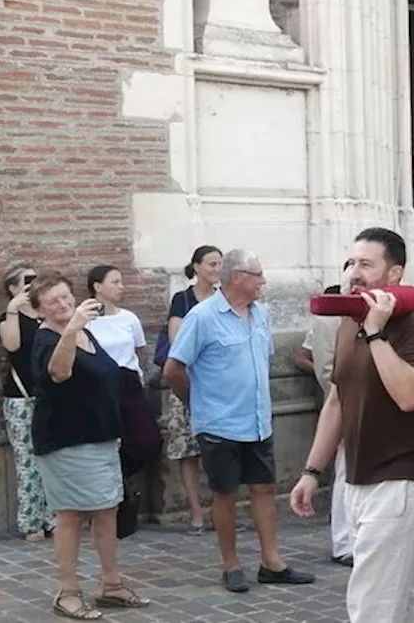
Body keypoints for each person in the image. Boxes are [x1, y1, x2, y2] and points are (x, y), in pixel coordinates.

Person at [290, 228, 414, 622]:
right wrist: (311, 471)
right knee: (406, 598)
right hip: (357, 477)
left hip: (401, 478)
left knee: (371, 604)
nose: (354, 273)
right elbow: (337, 399)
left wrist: (376, 331)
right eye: (351, 262)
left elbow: (409, 395)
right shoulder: (347, 321)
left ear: (394, 275)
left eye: (366, 264)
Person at [164, 249, 314, 593]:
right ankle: (230, 564)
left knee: (263, 487)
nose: (263, 281)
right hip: (219, 423)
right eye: (257, 274)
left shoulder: (260, 314)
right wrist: (196, 403)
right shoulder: (202, 317)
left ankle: (271, 561)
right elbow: (174, 369)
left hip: (258, 420)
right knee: (225, 493)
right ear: (236, 278)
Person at [29, 273, 151, 619]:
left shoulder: (85, 332)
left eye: (66, 297)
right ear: (40, 311)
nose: (64, 304)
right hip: (67, 441)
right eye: (53, 301)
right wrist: (70, 329)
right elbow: (59, 373)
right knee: (70, 514)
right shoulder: (49, 338)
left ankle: (111, 584)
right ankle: (68, 592)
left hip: (100, 437)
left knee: (107, 509)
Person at [158, 245, 222, 535]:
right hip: (189, 380)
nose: (217, 269)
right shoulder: (182, 299)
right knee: (188, 450)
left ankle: (222, 510)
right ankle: (197, 513)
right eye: (211, 264)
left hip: (219, 383)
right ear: (196, 267)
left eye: (220, 264)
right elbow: (177, 339)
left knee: (221, 449)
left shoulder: (224, 298)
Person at [293, 263, 353, 567]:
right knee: (344, 471)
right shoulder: (329, 320)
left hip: (352, 401)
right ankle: (344, 541)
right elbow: (326, 367)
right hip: (341, 400)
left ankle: (351, 536)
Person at [0, 260, 55, 542]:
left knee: (53, 457)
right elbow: (12, 345)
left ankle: (54, 518)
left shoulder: (46, 316)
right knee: (28, 462)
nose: (33, 285)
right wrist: (14, 308)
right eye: (26, 281)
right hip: (21, 398)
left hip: (49, 397)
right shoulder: (8, 318)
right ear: (13, 288)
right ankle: (32, 521)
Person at [85, 266, 147, 381]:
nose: (121, 287)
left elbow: (140, 349)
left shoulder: (129, 318)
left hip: (129, 381)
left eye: (121, 282)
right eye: (115, 282)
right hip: (99, 382)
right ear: (98, 287)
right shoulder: (85, 321)